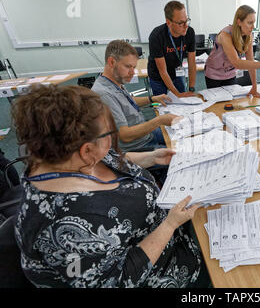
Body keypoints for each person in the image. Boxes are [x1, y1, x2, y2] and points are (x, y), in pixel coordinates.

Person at [12, 84, 209, 288]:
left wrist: (150, 158)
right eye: (109, 134)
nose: (112, 139)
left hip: (166, 228)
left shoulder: (64, 155)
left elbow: (111, 158)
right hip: (157, 268)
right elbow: (118, 281)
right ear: (86, 150)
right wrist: (169, 225)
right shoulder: (63, 229)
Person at [92, 40, 179, 152]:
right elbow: (125, 135)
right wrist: (159, 120)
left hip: (145, 135)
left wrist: (151, 99)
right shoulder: (104, 94)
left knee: (186, 134)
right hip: (138, 147)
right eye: (128, 67)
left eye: (134, 67)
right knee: (185, 154)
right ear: (112, 62)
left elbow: (125, 102)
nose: (133, 73)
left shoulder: (112, 81)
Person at [204, 5, 260, 97]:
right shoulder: (225, 35)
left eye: (254, 23)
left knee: (232, 102)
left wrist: (254, 88)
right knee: (217, 103)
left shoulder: (249, 36)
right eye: (249, 23)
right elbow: (236, 62)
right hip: (214, 74)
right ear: (239, 22)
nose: (253, 27)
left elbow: (250, 62)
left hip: (230, 74)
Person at [148, 0, 197, 97]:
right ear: (168, 22)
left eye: (186, 20)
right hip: (158, 76)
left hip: (177, 73)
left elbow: (192, 64)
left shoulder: (190, 32)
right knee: (163, 105)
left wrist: (191, 89)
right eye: (181, 23)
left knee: (184, 102)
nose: (186, 26)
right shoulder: (156, 36)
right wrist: (177, 94)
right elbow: (163, 71)